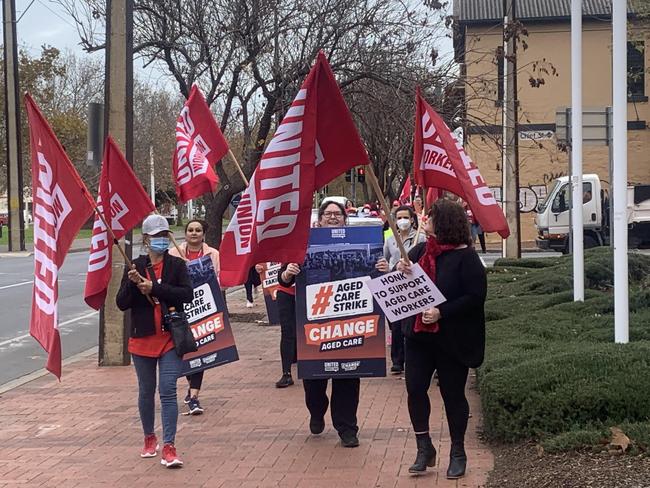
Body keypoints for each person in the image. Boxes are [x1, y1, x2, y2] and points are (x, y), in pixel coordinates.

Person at [278, 201, 385, 448]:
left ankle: (347, 428)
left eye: (338, 214)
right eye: (329, 214)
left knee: (348, 378)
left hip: (350, 323)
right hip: (315, 324)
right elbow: (283, 281)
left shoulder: (363, 245)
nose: (333, 218)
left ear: (345, 220)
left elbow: (378, 281)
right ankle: (317, 412)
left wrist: (382, 269)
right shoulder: (304, 244)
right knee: (314, 382)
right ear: (321, 219)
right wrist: (289, 272)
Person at [397, 199, 487, 479]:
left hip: (452, 340)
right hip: (419, 338)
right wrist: (399, 272)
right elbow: (402, 285)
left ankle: (457, 451)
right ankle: (424, 446)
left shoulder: (466, 257)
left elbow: (475, 297)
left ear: (445, 222)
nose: (424, 218)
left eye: (431, 216)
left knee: (452, 394)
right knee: (415, 388)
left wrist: (441, 312)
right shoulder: (421, 251)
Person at [116, 214, 193, 468]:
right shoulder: (134, 265)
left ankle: (169, 445)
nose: (160, 240)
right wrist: (132, 284)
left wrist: (155, 288)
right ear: (145, 239)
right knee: (146, 391)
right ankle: (150, 437)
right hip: (142, 339)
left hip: (171, 337)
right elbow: (121, 303)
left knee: (168, 389)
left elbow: (187, 295)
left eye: (164, 235)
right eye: (155, 236)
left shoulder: (176, 265)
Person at [169, 219, 220, 415]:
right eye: (190, 230)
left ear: (203, 234)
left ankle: (194, 396)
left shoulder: (212, 254)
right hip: (182, 310)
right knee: (186, 351)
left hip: (205, 307)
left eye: (198, 230)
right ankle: (191, 389)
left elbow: (218, 278)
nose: (194, 233)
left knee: (200, 352)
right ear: (185, 233)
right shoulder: (174, 253)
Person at [380, 206, 426, 374]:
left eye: (405, 217)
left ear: (412, 219)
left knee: (412, 322)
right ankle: (397, 361)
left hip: (414, 286)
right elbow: (385, 260)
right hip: (395, 286)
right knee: (396, 326)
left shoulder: (420, 238)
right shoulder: (390, 240)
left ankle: (413, 358)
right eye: (398, 218)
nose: (402, 221)